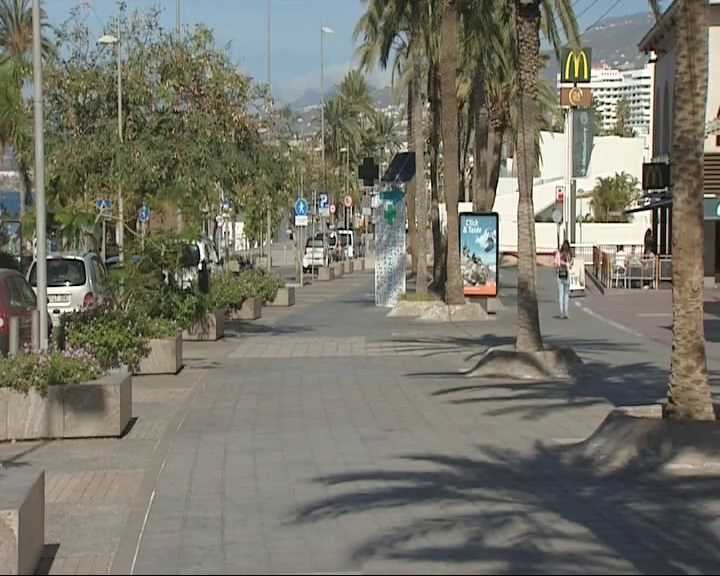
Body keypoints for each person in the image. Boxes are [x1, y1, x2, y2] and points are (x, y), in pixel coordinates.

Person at [555, 240, 573, 319]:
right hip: (566, 275)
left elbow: (556, 264)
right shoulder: (569, 255)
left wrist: (559, 265)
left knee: (561, 294)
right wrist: (568, 264)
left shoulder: (559, 254)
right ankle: (566, 312)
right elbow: (571, 266)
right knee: (566, 294)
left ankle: (561, 312)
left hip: (560, 274)